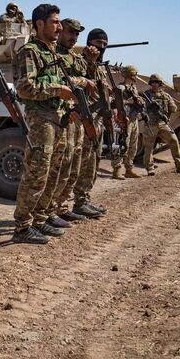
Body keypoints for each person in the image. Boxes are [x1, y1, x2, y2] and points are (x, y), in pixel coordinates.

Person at [12, 4, 83, 244]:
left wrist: (70, 102)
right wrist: (58, 90)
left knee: (53, 173)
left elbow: (65, 81)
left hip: (59, 119)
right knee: (36, 174)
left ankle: (40, 219)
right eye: (55, 22)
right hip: (41, 120)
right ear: (39, 24)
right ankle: (22, 226)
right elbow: (24, 87)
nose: (59, 27)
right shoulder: (29, 52)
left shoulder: (52, 53)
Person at [48, 18, 97, 223]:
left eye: (76, 34)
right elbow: (61, 80)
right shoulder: (54, 54)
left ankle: (61, 206)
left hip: (77, 115)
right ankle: (50, 210)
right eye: (70, 32)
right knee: (60, 164)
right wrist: (84, 81)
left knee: (73, 164)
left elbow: (89, 75)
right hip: (62, 115)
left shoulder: (73, 57)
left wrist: (91, 62)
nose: (73, 37)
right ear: (60, 31)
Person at [72, 28, 108, 219]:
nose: (100, 48)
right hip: (84, 119)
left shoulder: (100, 66)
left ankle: (83, 200)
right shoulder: (82, 59)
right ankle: (77, 202)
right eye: (97, 44)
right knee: (82, 162)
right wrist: (89, 61)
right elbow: (79, 81)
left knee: (93, 161)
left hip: (98, 120)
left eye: (104, 45)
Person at [141, 73, 180, 175]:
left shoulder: (166, 96)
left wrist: (167, 107)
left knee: (174, 141)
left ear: (160, 84)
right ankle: (150, 169)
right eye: (152, 82)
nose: (154, 84)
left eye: (157, 82)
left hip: (162, 123)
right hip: (151, 124)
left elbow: (174, 109)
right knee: (149, 147)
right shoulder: (146, 95)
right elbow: (141, 109)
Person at [111, 65, 144, 179]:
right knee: (121, 144)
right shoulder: (121, 88)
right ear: (130, 75)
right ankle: (117, 169)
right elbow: (113, 103)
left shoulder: (133, 88)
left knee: (133, 145)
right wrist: (127, 101)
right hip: (124, 119)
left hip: (133, 119)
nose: (136, 76)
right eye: (135, 74)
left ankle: (129, 169)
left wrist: (139, 101)